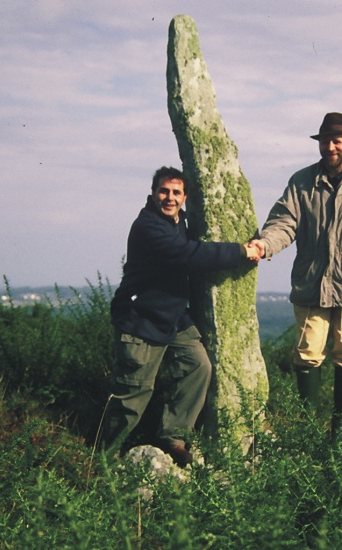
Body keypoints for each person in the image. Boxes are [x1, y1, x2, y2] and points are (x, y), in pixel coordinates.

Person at [249, 112, 342, 437]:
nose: (331, 147)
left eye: (337, 141)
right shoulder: (301, 182)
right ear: (319, 144)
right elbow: (284, 222)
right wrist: (264, 245)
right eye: (326, 141)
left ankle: (339, 432)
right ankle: (310, 430)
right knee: (306, 355)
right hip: (311, 285)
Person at [99, 166, 260, 467]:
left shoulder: (180, 221)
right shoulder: (148, 226)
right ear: (153, 193)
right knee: (134, 394)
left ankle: (173, 436)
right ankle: (104, 457)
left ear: (185, 197)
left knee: (198, 366)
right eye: (163, 191)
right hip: (141, 318)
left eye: (176, 192)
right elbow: (188, 254)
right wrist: (240, 252)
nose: (169, 198)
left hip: (173, 316)